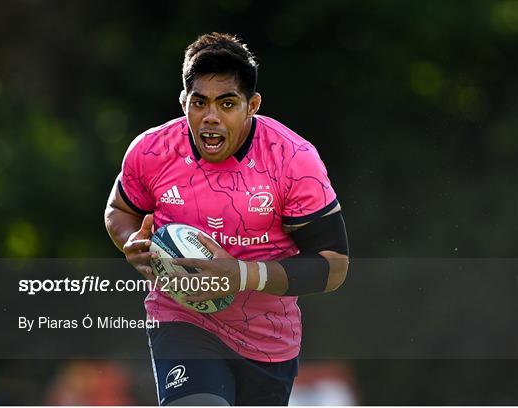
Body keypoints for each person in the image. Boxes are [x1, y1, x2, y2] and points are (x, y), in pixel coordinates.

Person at [104, 32, 349, 406]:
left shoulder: (294, 161)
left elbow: (334, 267)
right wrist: (131, 243)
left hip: (267, 339)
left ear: (252, 105)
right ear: (184, 101)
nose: (211, 117)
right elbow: (119, 211)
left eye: (227, 103)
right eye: (199, 103)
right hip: (181, 318)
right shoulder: (151, 151)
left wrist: (241, 275)